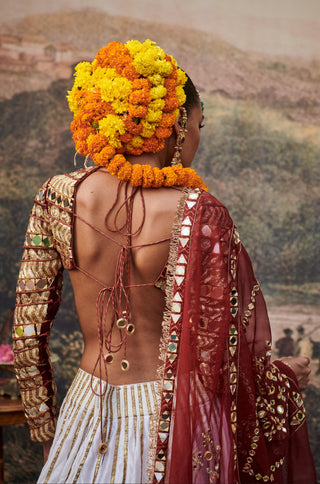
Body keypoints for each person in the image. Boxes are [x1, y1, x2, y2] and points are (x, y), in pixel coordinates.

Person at [13, 39, 316, 484]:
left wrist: (47, 433)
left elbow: (27, 331)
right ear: (175, 124)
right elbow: (224, 357)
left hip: (85, 411)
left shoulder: (56, 197)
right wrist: (282, 377)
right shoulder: (200, 213)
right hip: (175, 421)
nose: (197, 137)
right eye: (198, 123)